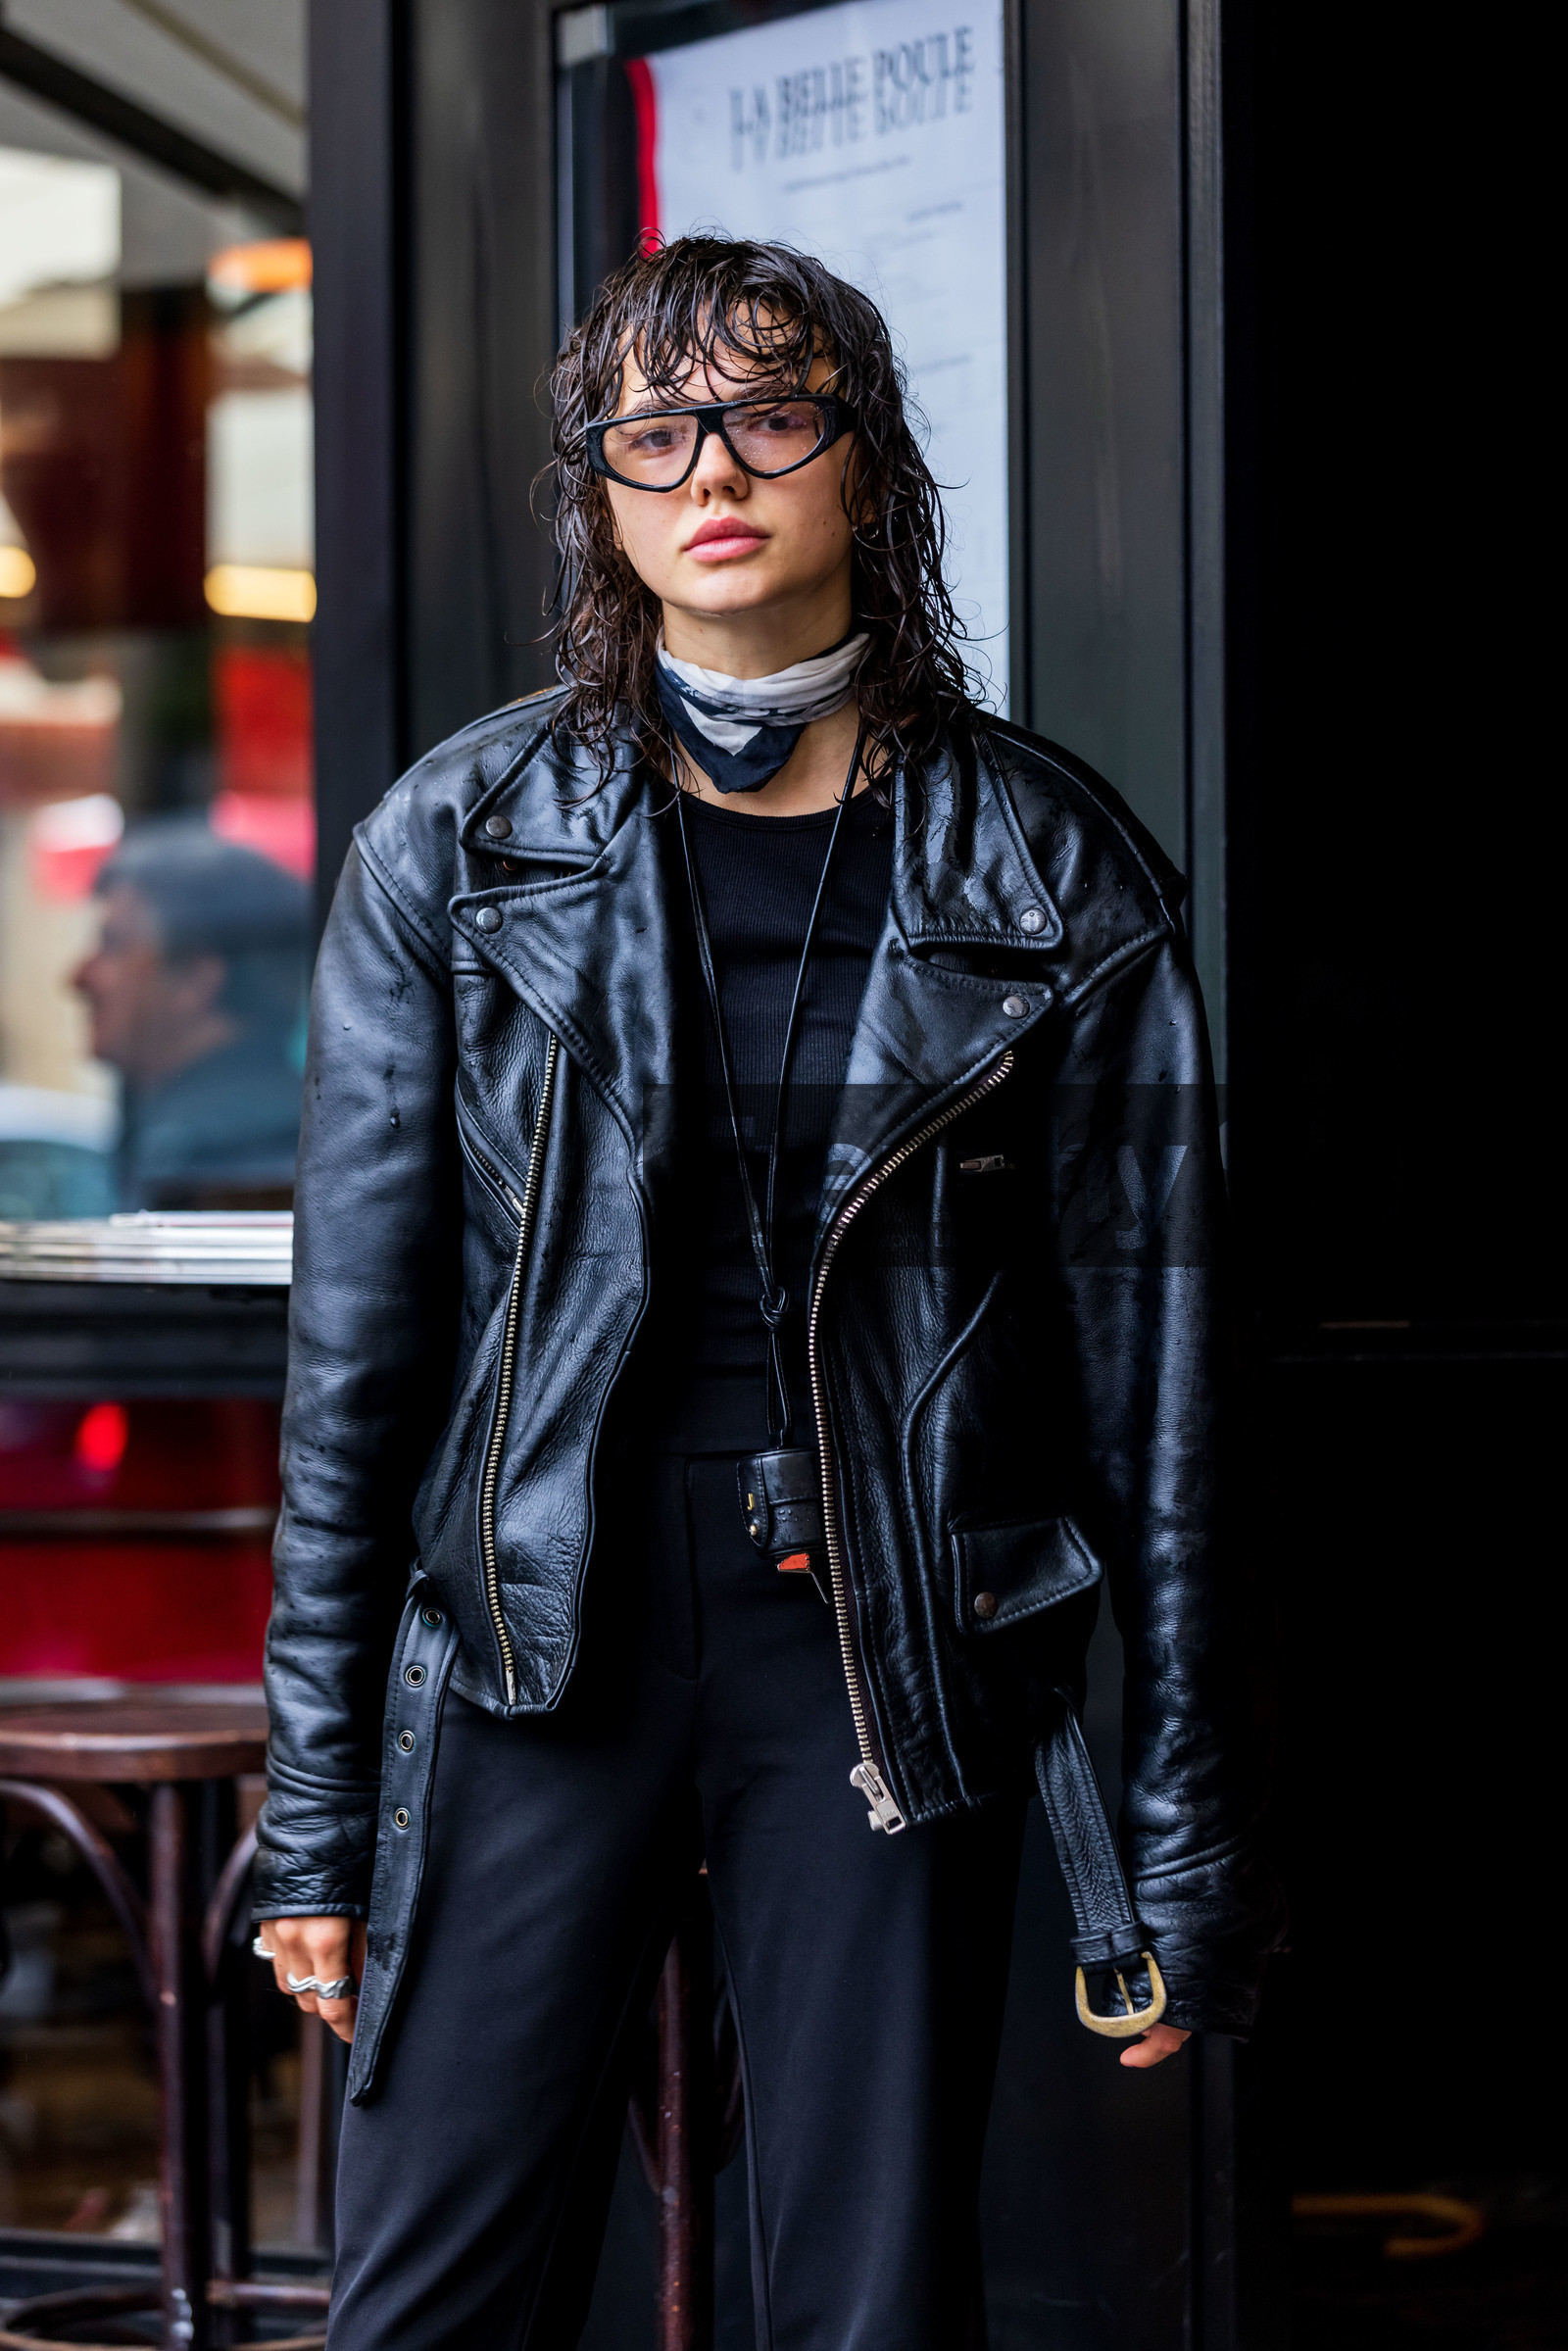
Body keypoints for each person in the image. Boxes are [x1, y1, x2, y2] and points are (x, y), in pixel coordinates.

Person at [254, 238, 1281, 2349]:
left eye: (768, 413)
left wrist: (1184, 1841)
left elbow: (1161, 1389)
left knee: (867, 2303)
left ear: (864, 461)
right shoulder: (456, 842)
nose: (710, 467)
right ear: (602, 499)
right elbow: (356, 1368)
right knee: (423, 2302)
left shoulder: (1048, 859)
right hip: (539, 1629)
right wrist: (318, 1814)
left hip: (882, 1633)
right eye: (651, 433)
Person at [73, 820, 307, 1207]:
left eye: (113, 944)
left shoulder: (214, 1153)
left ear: (195, 978)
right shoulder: (275, 1124)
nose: (79, 977)